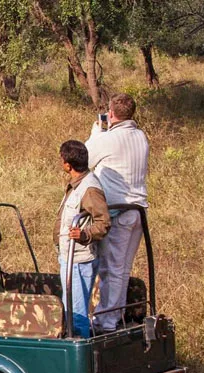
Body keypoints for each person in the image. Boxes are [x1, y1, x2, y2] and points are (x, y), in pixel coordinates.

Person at [86, 93, 149, 333]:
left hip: (118, 212)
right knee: (121, 269)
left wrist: (97, 132)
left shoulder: (108, 139)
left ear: (111, 113)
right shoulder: (140, 136)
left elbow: (84, 158)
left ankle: (106, 321)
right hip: (137, 211)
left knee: (111, 269)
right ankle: (115, 315)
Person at [55, 140, 111, 338]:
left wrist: (85, 234)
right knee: (71, 311)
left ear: (68, 165)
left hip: (79, 260)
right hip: (71, 258)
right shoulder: (78, 184)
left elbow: (104, 222)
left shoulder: (90, 188)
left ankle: (81, 352)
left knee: (76, 315)